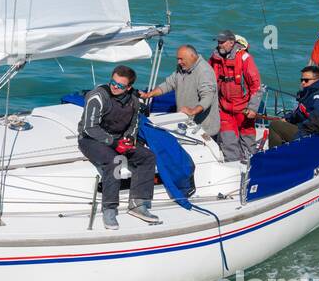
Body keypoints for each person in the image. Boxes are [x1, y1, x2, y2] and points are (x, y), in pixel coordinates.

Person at [78, 65, 162, 229]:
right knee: (114, 161)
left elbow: (134, 124)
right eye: (113, 82)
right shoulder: (98, 97)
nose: (115, 87)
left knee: (147, 157)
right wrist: (114, 143)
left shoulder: (134, 101)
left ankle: (138, 204)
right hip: (91, 139)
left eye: (120, 86)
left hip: (118, 139)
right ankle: (109, 208)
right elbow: (89, 128)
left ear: (129, 87)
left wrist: (128, 139)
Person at [140, 44, 219, 137]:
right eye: (178, 59)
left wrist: (193, 111)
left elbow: (208, 97)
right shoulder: (182, 67)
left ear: (192, 56)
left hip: (203, 128)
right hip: (185, 121)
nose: (178, 62)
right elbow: (168, 84)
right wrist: (148, 95)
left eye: (181, 59)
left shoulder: (204, 72)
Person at [209, 30, 263, 163]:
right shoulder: (214, 59)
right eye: (218, 42)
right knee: (228, 143)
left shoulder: (245, 58)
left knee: (248, 142)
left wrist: (253, 108)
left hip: (244, 110)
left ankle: (252, 167)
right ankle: (234, 170)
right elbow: (209, 81)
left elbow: (256, 86)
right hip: (225, 109)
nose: (219, 44)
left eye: (222, 42)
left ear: (231, 43)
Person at [266, 65, 319, 148]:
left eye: (306, 80)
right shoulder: (309, 94)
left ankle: (275, 155)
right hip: (308, 131)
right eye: (302, 80)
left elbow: (316, 124)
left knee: (275, 125)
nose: (303, 82)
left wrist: (298, 131)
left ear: (317, 80)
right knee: (281, 122)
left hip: (315, 137)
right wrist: (287, 119)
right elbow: (299, 112)